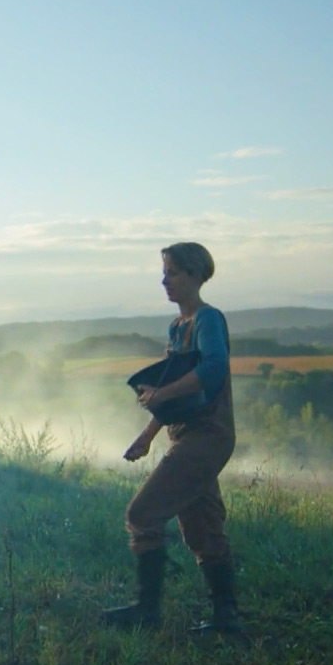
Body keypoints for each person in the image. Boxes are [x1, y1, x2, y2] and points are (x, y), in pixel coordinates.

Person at [101, 242, 241, 634]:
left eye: (173, 272)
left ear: (195, 274)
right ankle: (227, 622)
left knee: (142, 514)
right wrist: (148, 435)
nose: (165, 280)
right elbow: (173, 390)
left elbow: (213, 370)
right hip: (184, 435)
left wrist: (160, 395)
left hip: (208, 436)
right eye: (164, 273)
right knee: (202, 527)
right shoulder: (177, 328)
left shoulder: (208, 320)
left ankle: (147, 612)